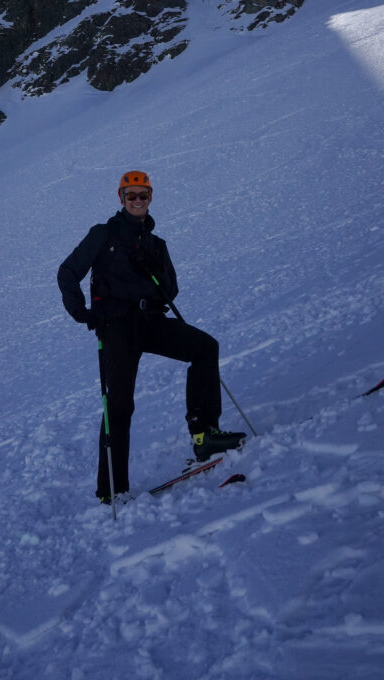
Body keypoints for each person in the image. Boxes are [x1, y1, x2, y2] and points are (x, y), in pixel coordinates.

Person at [57, 169, 245, 503]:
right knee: (119, 403)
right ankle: (112, 490)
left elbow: (171, 289)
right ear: (121, 198)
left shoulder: (156, 244)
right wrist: (81, 312)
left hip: (151, 320)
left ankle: (205, 435)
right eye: (131, 196)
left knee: (204, 347)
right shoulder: (104, 234)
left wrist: (151, 271)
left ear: (150, 197)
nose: (137, 201)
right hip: (116, 324)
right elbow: (68, 272)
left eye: (143, 195)